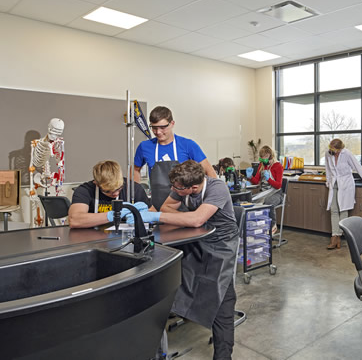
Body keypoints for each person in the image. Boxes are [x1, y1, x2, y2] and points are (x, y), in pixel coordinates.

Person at [129, 160, 238, 360]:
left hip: (221, 245)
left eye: (177, 188)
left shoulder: (217, 188)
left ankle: (223, 354)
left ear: (194, 187)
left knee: (222, 293)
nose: (173, 190)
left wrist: (159, 216)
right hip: (196, 240)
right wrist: (186, 216)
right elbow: (168, 207)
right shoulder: (181, 186)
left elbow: (195, 220)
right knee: (176, 276)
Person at [133, 106, 217, 210]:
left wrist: (208, 203)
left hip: (187, 206)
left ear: (172, 124)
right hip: (158, 207)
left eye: (162, 127)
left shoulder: (188, 145)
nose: (158, 132)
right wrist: (137, 196)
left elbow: (210, 173)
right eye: (154, 128)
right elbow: (135, 170)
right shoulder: (144, 147)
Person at [68, 160, 150, 228]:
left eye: (119, 188)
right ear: (96, 183)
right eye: (108, 191)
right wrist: (112, 215)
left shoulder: (134, 188)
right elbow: (74, 220)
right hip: (93, 238)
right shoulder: (85, 190)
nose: (115, 193)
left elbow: (149, 214)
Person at [324, 139, 362, 250]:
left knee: (343, 210)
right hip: (334, 183)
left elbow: (358, 167)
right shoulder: (328, 153)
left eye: (335, 150)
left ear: (340, 149)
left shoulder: (347, 154)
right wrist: (327, 180)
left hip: (345, 184)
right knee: (333, 210)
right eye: (331, 149)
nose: (332, 152)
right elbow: (327, 168)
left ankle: (338, 237)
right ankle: (334, 235)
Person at [247, 145, 283, 234]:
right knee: (249, 200)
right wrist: (250, 176)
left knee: (268, 202)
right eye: (262, 156)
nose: (263, 158)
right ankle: (257, 226)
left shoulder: (278, 166)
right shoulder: (262, 166)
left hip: (276, 193)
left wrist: (269, 179)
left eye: (265, 156)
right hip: (264, 192)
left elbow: (278, 185)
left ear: (271, 155)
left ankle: (273, 225)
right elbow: (256, 181)